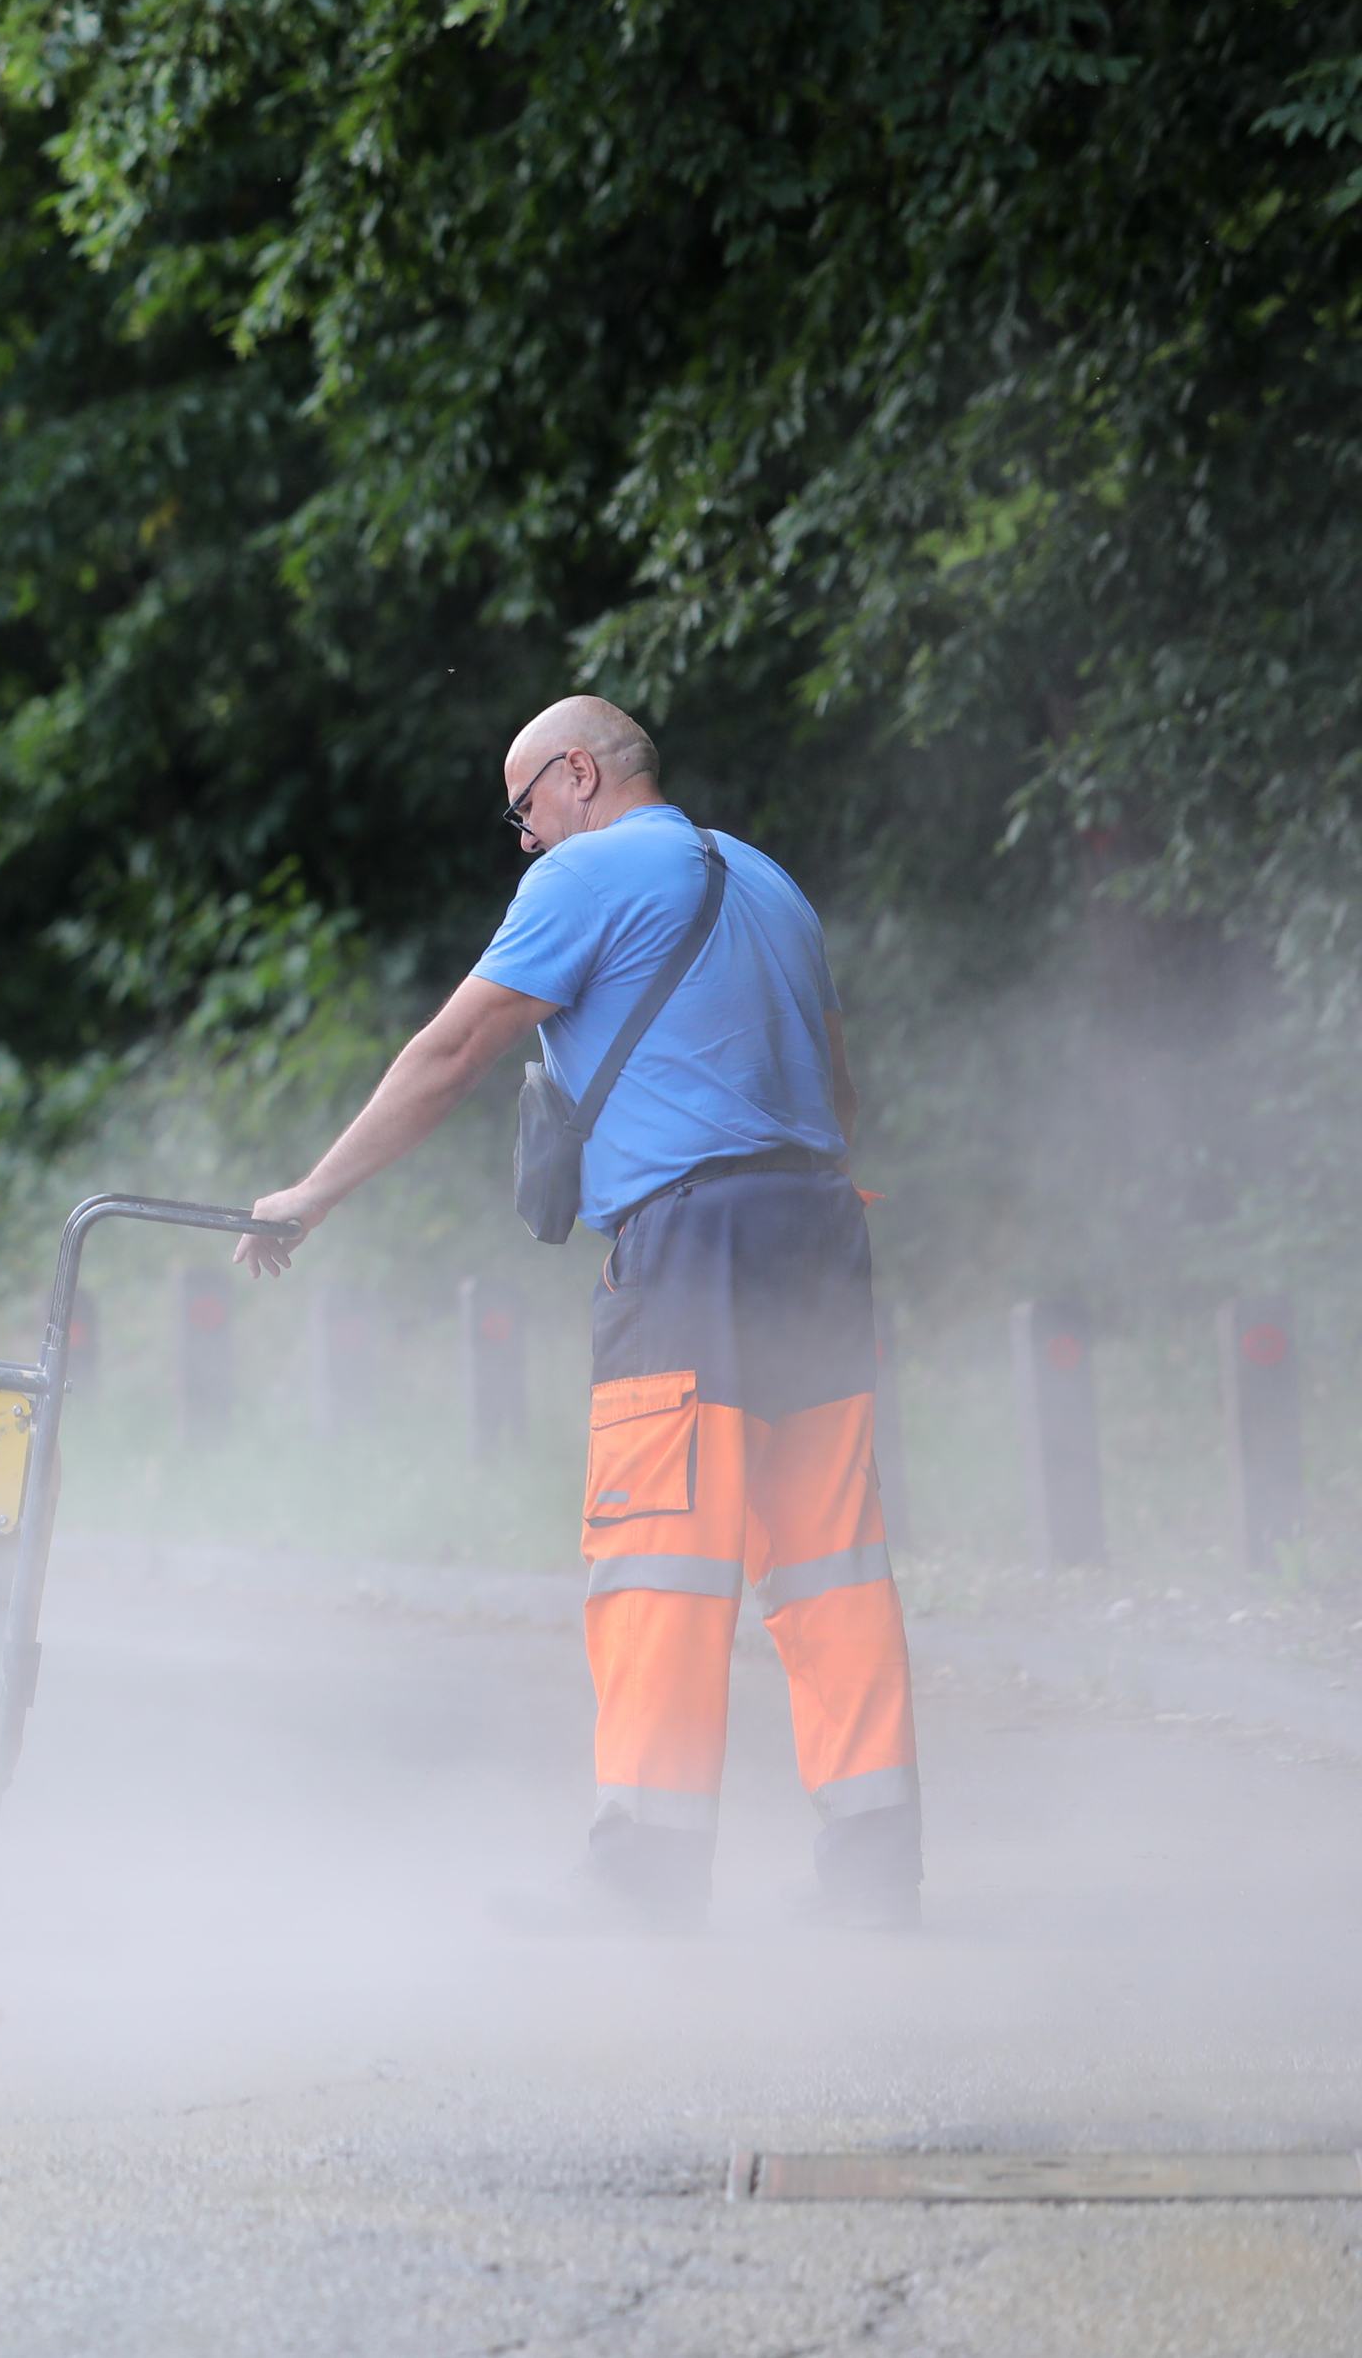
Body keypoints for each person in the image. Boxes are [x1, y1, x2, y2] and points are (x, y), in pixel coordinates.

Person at [230, 695, 917, 1933]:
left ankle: (642, 1882)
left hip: (691, 1246)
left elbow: (450, 1054)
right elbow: (841, 1094)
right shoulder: (772, 885)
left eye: (523, 809)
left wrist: (310, 1194)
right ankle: (874, 1875)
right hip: (819, 1229)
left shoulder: (588, 873)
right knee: (830, 1563)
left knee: (659, 1553)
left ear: (578, 775)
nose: (524, 840)